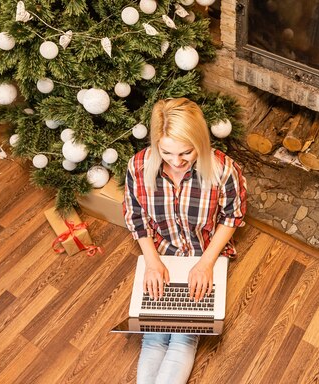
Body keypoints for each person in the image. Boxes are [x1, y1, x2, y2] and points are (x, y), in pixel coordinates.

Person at [123, 97, 247, 384]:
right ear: (156, 143)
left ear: (200, 142)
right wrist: (152, 262)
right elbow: (135, 216)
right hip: (161, 254)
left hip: (204, 255)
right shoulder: (138, 167)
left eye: (186, 152)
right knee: (153, 339)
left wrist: (205, 264)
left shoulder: (224, 170)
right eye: (166, 152)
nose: (176, 162)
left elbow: (232, 217)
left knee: (182, 340)